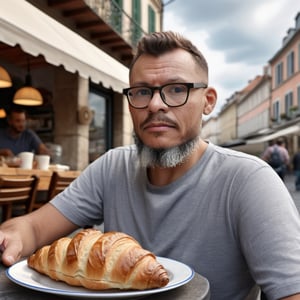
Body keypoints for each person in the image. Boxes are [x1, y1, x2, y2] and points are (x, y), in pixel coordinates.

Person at [0, 32, 300, 300]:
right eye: (142, 91)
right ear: (130, 103)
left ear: (208, 101)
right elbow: (33, 227)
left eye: (176, 89)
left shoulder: (248, 181)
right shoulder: (111, 167)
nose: (156, 104)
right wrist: (13, 237)